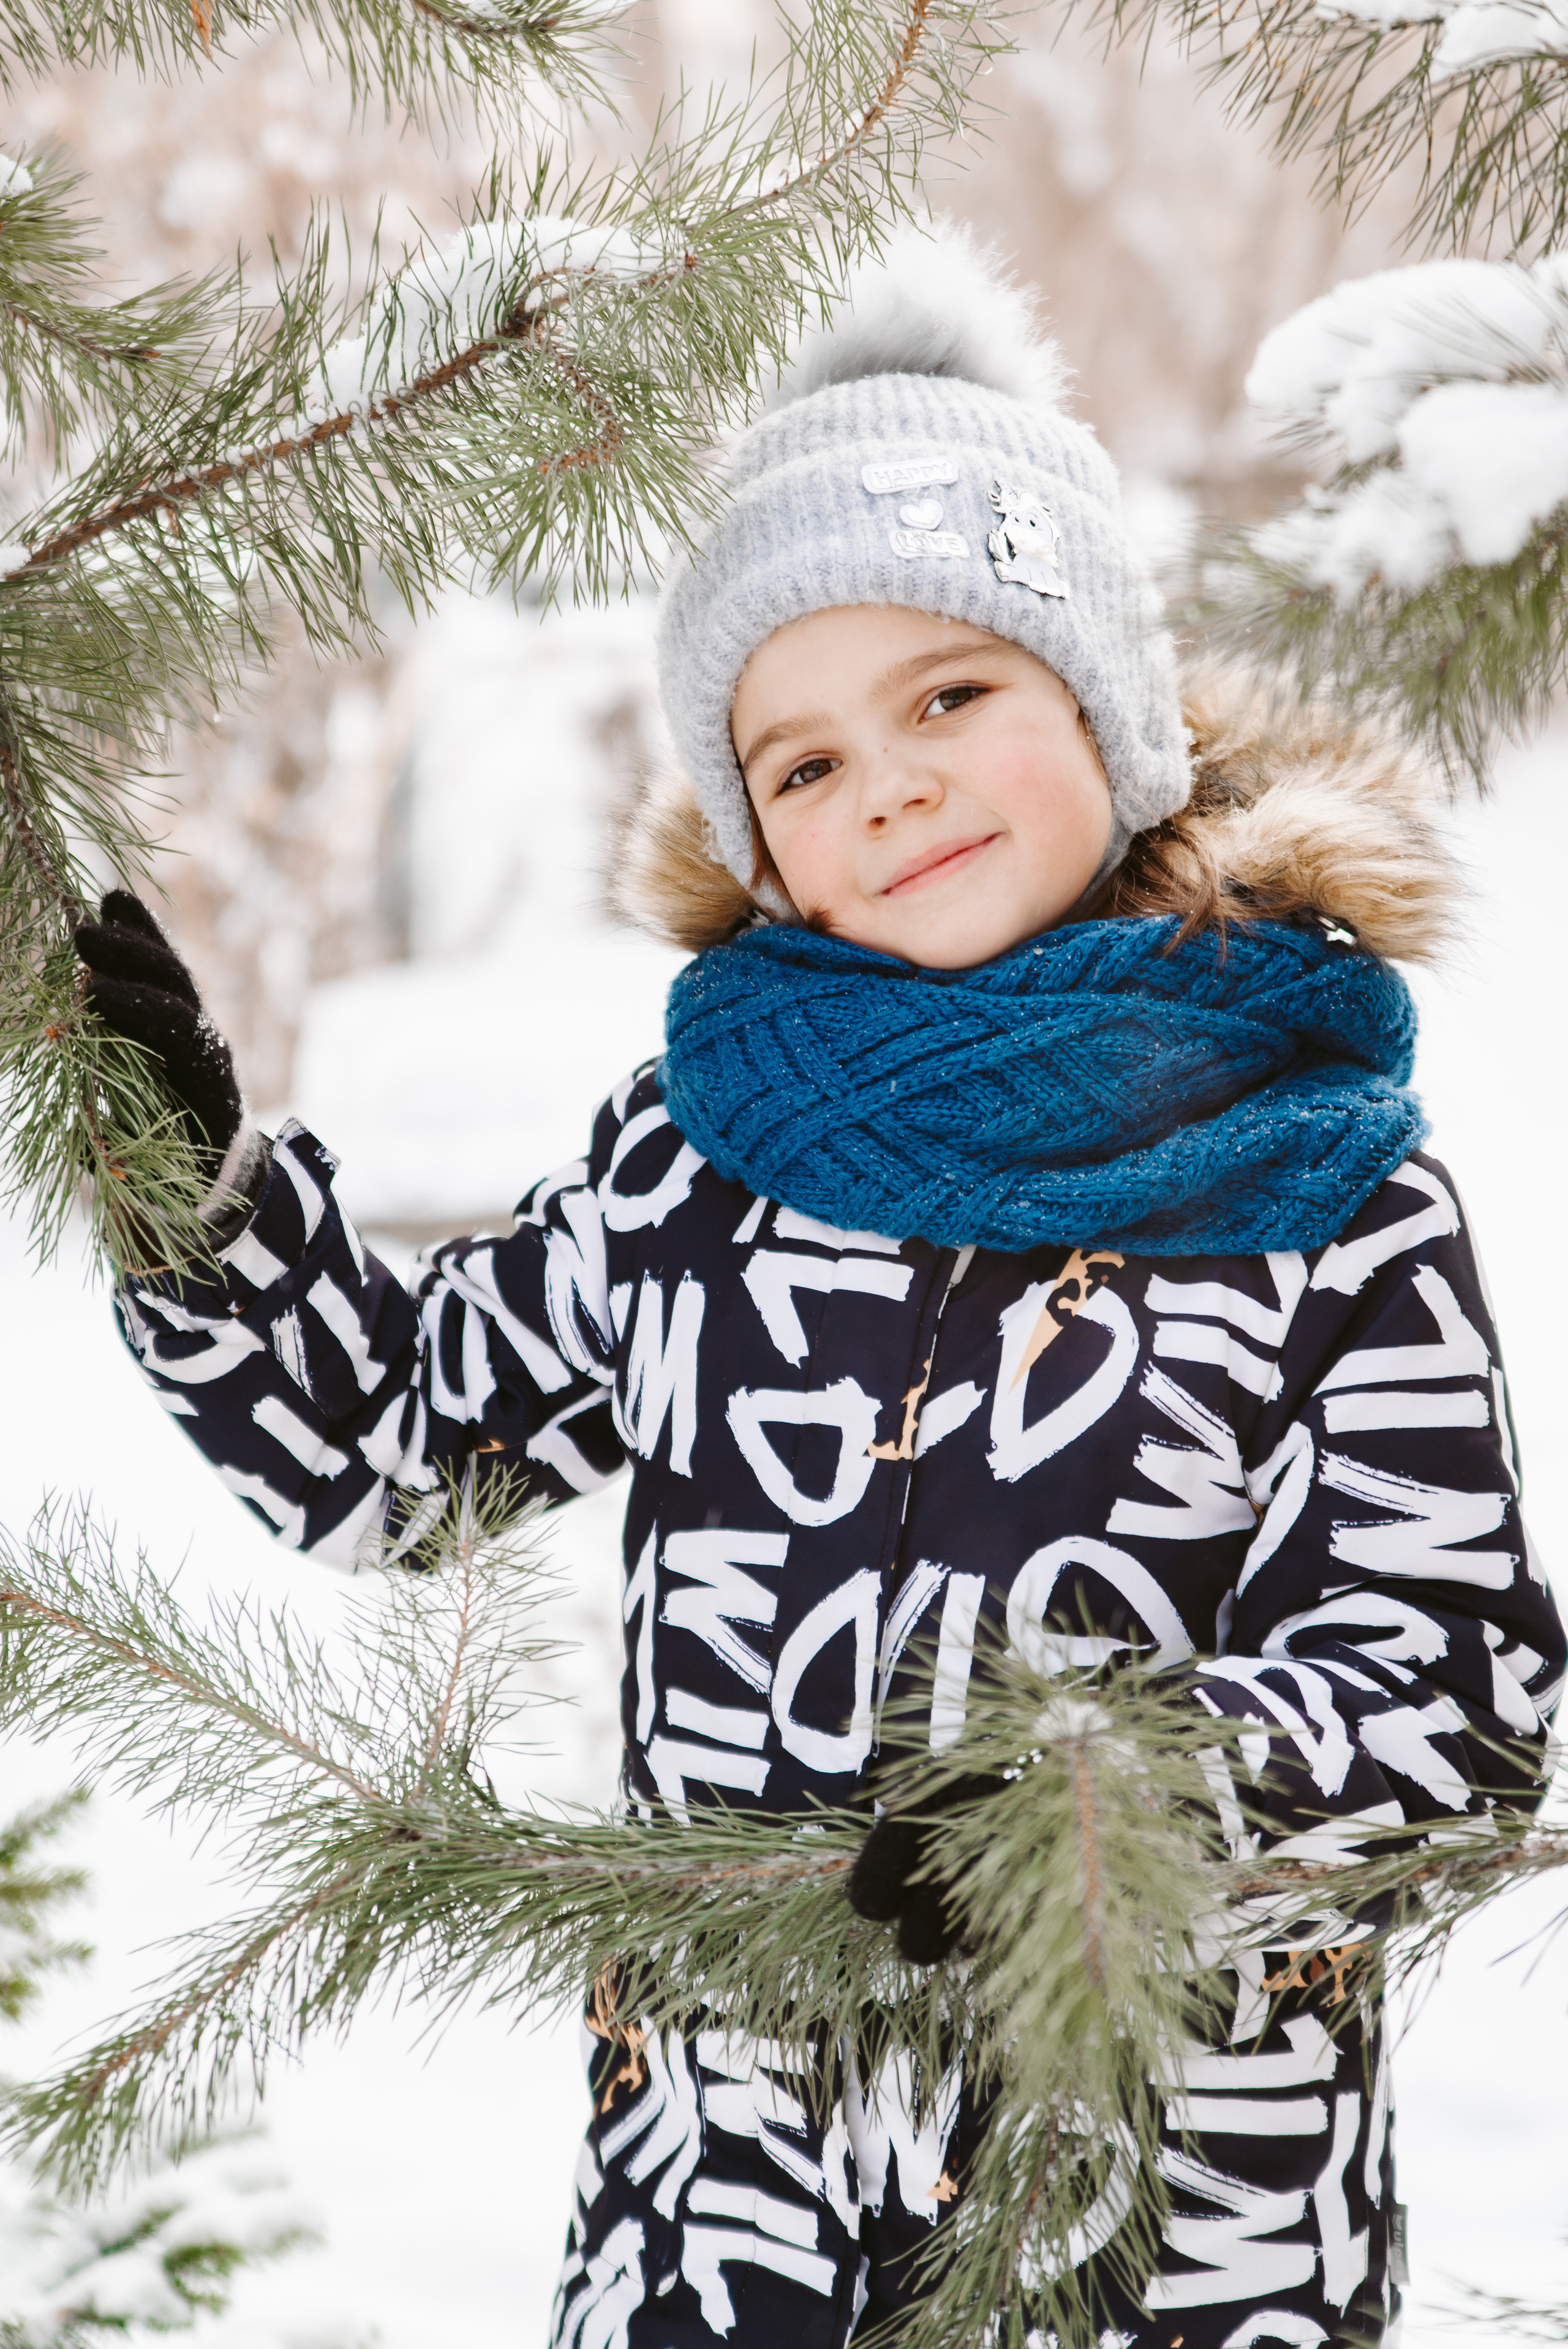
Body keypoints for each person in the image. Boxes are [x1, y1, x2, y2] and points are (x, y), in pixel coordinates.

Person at [76, 229, 1564, 2349]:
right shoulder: (710, 1151)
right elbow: (388, 1449)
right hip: (728, 2238)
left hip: (1164, 2250)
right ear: (760, 845)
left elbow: (1455, 1694)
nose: (891, 786)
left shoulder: (1318, 1180)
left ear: (1108, 707)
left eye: (952, 692)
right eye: (804, 763)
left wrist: (1091, 1803)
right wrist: (182, 1182)